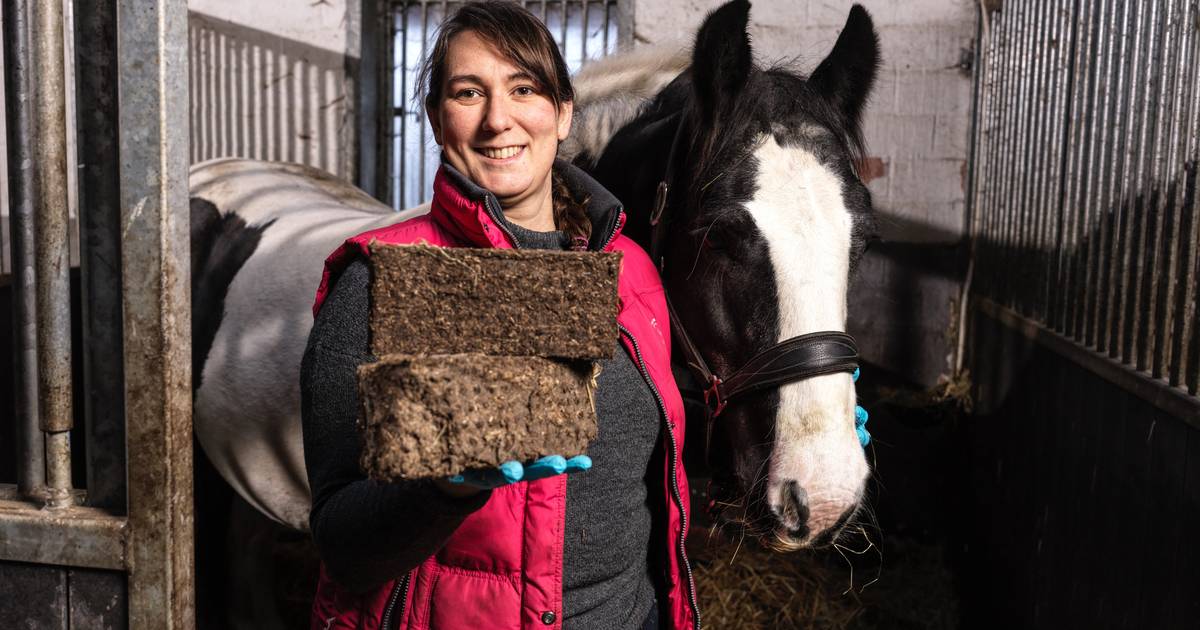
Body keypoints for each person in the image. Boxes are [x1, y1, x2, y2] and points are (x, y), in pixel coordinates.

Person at [300, 3, 697, 629]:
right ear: (435, 118)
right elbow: (344, 548)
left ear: (563, 113)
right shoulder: (380, 279)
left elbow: (647, 458)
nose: (497, 119)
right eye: (467, 92)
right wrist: (444, 488)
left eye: (523, 89)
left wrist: (775, 418)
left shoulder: (633, 270)